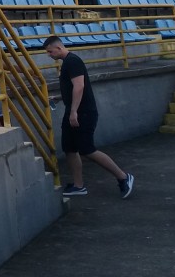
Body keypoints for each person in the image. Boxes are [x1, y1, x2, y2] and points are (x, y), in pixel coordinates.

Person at [43, 36, 134, 199]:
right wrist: (60, 98)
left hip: (82, 113)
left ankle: (123, 177)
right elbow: (73, 89)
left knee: (87, 149)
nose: (49, 55)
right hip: (75, 111)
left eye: (50, 51)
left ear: (59, 48)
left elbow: (79, 86)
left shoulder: (72, 61)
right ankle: (78, 186)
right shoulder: (68, 63)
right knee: (70, 149)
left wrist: (73, 112)